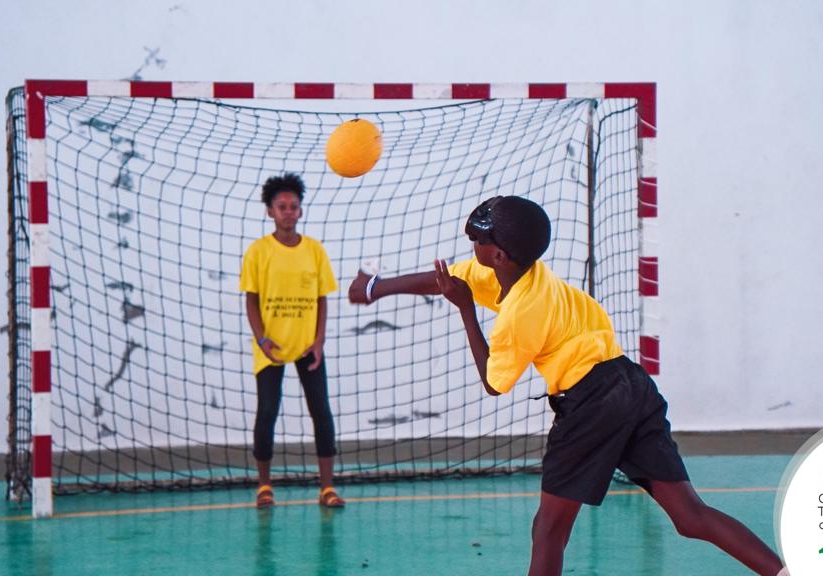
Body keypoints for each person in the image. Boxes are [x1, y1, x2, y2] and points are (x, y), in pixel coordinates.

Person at [348, 196, 787, 576]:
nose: (471, 244)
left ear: (498, 255)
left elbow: (494, 383)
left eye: (477, 239)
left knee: (549, 529)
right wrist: (375, 288)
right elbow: (451, 279)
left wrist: (465, 310)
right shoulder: (524, 272)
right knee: (690, 516)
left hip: (592, 401)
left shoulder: (520, 312)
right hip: (632, 385)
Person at [240, 172, 345, 509]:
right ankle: (264, 486)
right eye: (281, 206)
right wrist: (262, 339)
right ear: (270, 211)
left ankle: (327, 487)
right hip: (271, 348)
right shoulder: (258, 252)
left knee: (322, 413)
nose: (288, 211)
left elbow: (322, 299)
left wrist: (319, 341)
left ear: (300, 211)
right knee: (267, 413)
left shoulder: (314, 250)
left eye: (294, 206)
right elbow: (251, 300)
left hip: (307, 347)